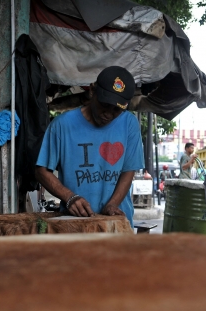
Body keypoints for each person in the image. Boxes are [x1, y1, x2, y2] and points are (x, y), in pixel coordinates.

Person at [35, 66, 144, 227]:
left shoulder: (129, 123)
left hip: (117, 225)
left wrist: (112, 205)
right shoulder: (62, 125)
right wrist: (70, 197)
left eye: (117, 110)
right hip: (75, 225)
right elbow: (41, 171)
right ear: (92, 91)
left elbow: (128, 170)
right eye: (105, 105)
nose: (109, 113)